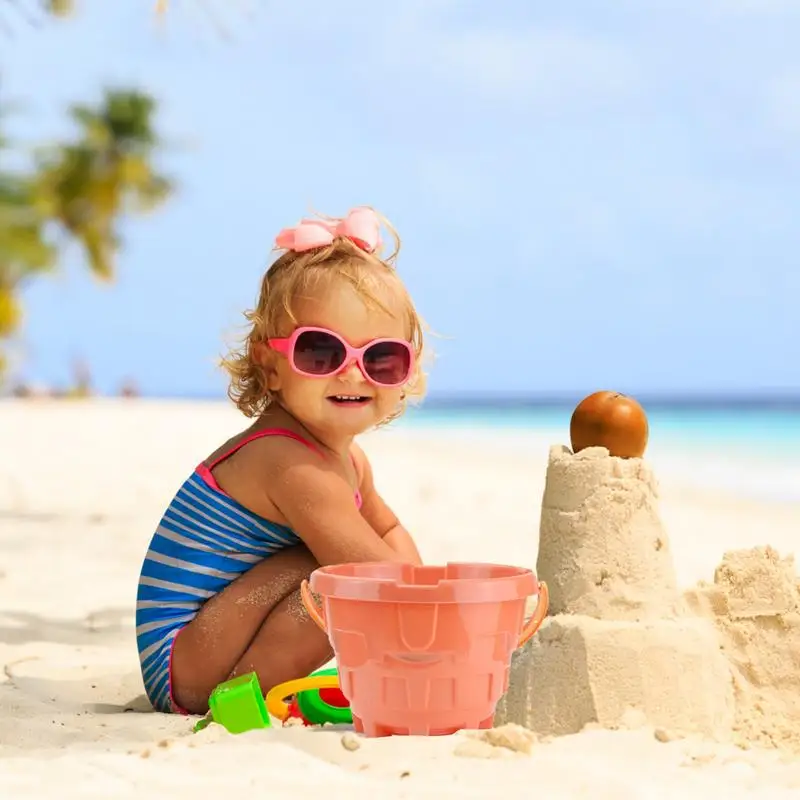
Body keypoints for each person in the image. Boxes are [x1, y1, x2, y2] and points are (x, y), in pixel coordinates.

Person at [135, 207, 427, 715]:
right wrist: (427, 620)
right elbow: (374, 570)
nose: (353, 376)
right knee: (342, 578)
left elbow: (392, 533)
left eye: (380, 358)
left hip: (214, 634)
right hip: (183, 658)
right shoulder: (287, 461)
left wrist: (419, 594)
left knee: (344, 569)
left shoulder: (349, 461)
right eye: (321, 354)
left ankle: (259, 683)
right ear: (270, 367)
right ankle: (242, 695)